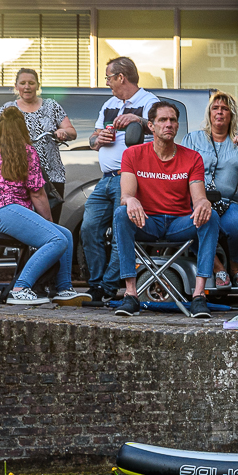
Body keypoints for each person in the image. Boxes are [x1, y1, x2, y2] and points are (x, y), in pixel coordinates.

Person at [0, 108, 88, 305]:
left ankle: (63, 289)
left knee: (65, 234)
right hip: (2, 213)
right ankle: (20, 288)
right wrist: (47, 222)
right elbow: (38, 194)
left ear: (1, 129)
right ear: (23, 128)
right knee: (57, 239)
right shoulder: (26, 151)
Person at [112, 101, 216, 318]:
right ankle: (131, 294)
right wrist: (130, 200)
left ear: (178, 126)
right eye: (162, 120)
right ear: (151, 126)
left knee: (210, 216)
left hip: (179, 224)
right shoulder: (133, 155)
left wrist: (203, 203)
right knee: (122, 213)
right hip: (147, 221)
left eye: (173, 120)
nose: (168, 124)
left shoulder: (192, 157)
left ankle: (199, 295)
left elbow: (198, 199)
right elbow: (126, 195)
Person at [82, 57, 158, 302]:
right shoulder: (109, 104)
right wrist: (98, 139)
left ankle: (106, 287)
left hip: (131, 179)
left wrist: (139, 121)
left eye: (108, 78)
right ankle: (96, 285)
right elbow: (93, 139)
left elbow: (161, 128)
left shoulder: (149, 102)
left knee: (120, 233)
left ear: (121, 77)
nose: (107, 83)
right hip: (105, 179)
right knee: (89, 229)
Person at [179, 91, 238, 288]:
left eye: (225, 109)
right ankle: (218, 268)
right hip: (196, 201)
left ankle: (237, 267)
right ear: (209, 113)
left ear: (232, 115)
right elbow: (180, 166)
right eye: (215, 108)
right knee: (193, 225)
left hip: (227, 202)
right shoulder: (193, 139)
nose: (219, 112)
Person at [0, 69, 76, 223]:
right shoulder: (8, 108)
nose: (27, 87)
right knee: (24, 224)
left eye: (31, 83)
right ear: (16, 86)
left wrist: (62, 132)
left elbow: (72, 131)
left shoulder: (51, 106)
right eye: (23, 83)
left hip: (51, 176)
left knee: (50, 222)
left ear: (38, 85)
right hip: (19, 176)